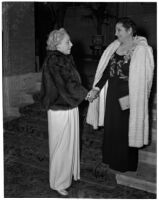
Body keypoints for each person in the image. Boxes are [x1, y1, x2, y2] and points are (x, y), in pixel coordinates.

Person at [86, 17, 154, 181]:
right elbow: (106, 72)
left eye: (119, 30)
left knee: (126, 130)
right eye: (116, 30)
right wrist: (96, 88)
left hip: (130, 96)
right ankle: (112, 160)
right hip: (112, 95)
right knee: (112, 128)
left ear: (129, 30)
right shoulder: (114, 47)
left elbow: (146, 77)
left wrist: (136, 97)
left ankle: (126, 164)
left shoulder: (142, 49)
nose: (116, 34)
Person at [40, 28, 88, 196]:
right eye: (67, 42)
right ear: (57, 44)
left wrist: (82, 94)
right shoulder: (55, 60)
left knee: (68, 143)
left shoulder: (63, 57)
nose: (72, 44)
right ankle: (58, 182)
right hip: (60, 109)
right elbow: (67, 84)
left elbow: (71, 82)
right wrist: (86, 94)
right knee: (61, 146)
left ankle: (66, 177)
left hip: (68, 105)